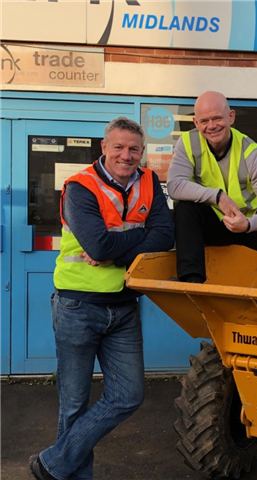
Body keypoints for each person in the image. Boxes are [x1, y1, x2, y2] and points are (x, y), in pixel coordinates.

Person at [29, 117, 175, 480]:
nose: (127, 155)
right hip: (77, 306)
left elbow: (165, 236)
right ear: (104, 148)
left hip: (124, 307)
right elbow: (98, 245)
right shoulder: (80, 187)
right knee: (75, 405)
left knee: (128, 395)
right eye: (119, 147)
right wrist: (124, 244)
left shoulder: (149, 182)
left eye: (134, 149)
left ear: (142, 153)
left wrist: (114, 251)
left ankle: (51, 464)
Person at [167, 91, 257, 291]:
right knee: (185, 209)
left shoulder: (250, 152)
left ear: (231, 117)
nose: (211, 126)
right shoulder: (187, 143)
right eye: (204, 120)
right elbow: (175, 186)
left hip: (251, 225)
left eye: (217, 118)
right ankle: (191, 284)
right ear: (196, 123)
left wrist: (249, 224)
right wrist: (217, 197)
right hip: (215, 224)